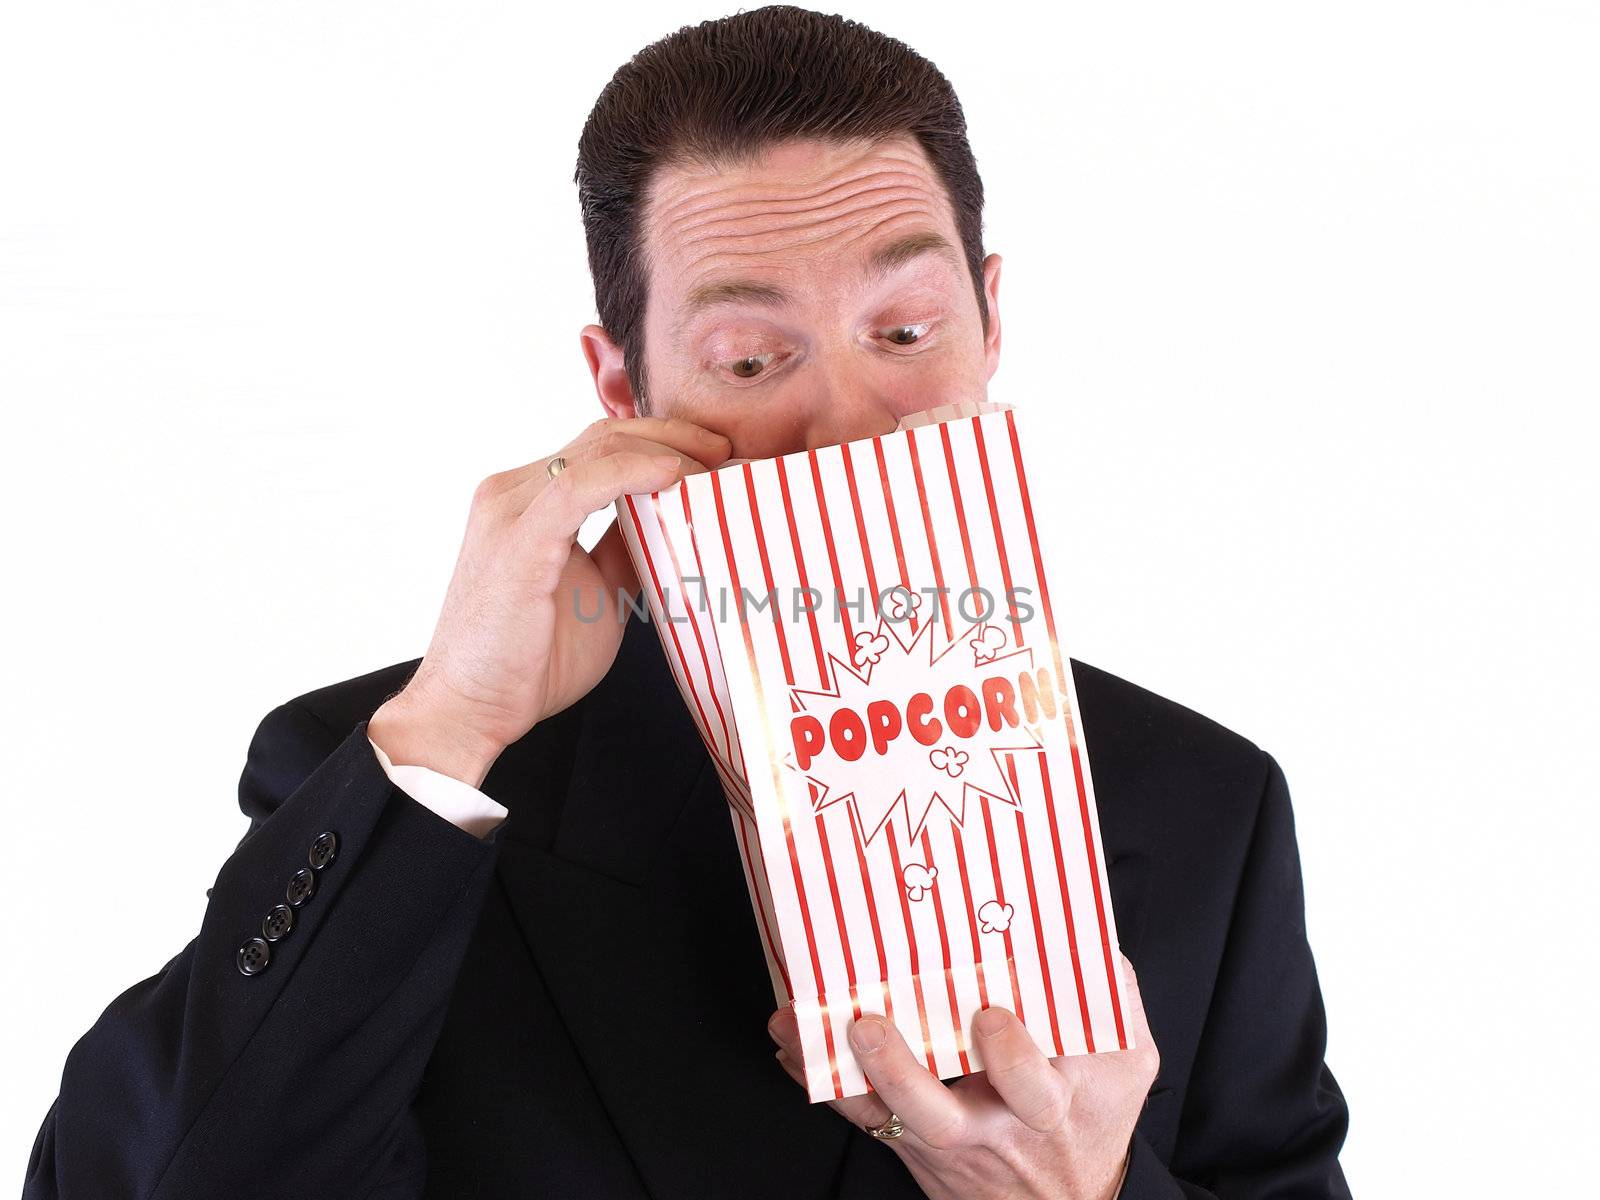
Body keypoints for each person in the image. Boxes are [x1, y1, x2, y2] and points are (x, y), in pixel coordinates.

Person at [22, 7, 1351, 1198]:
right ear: (622, 390)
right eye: (752, 357)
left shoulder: (1202, 816)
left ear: (989, 325)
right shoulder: (410, 796)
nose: (842, 421)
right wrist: (447, 730)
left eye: (904, 332)